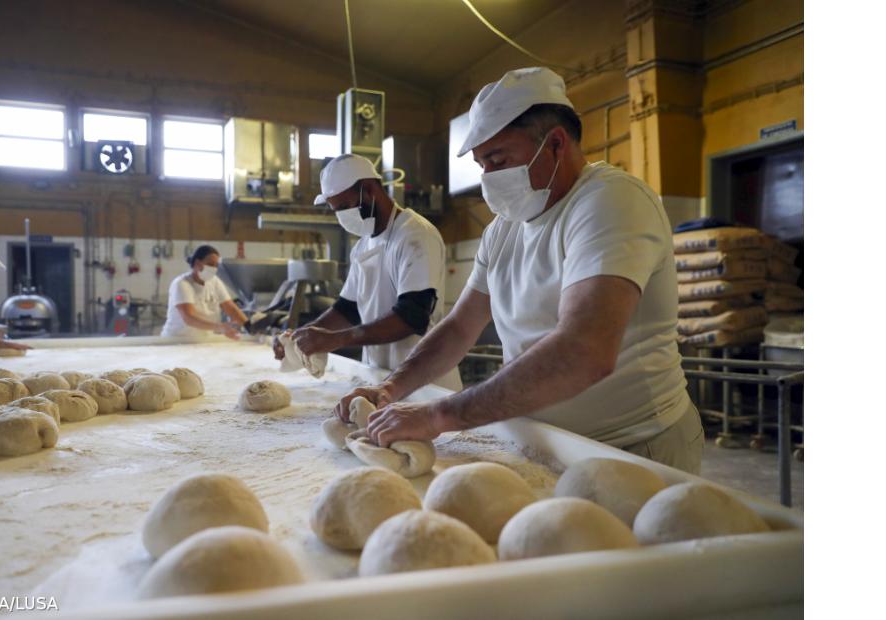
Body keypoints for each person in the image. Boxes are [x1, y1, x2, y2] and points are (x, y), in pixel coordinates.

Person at [334, 68, 704, 473]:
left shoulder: (610, 202)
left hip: (631, 447)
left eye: (498, 159)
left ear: (556, 144)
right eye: (481, 164)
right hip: (540, 440)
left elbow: (585, 350)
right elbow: (460, 327)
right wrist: (392, 388)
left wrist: (437, 415)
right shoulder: (504, 228)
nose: (488, 179)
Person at [274, 154, 462, 391]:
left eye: (343, 207)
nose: (341, 216)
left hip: (425, 382)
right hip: (380, 376)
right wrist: (303, 337)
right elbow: (347, 308)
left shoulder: (415, 235)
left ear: (370, 190)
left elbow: (413, 316)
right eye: (335, 210)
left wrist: (335, 340)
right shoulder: (363, 246)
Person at [161, 245, 247, 340]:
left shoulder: (215, 282)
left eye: (216, 266)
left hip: (204, 340)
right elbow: (189, 318)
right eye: (210, 264)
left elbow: (231, 308)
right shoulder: (181, 283)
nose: (214, 269)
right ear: (197, 263)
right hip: (177, 340)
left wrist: (249, 326)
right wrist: (221, 327)